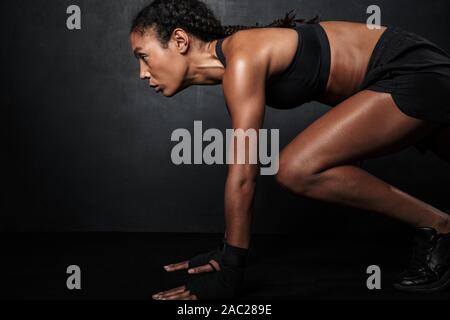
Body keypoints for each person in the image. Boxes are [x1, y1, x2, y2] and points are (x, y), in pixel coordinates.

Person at [129, 0, 450, 300]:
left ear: (180, 40)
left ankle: (439, 227)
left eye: (144, 56)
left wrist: (231, 272)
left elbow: (244, 173)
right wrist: (227, 251)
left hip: (410, 73)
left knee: (294, 168)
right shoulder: (238, 59)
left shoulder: (242, 59)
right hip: (412, 74)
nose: (143, 73)